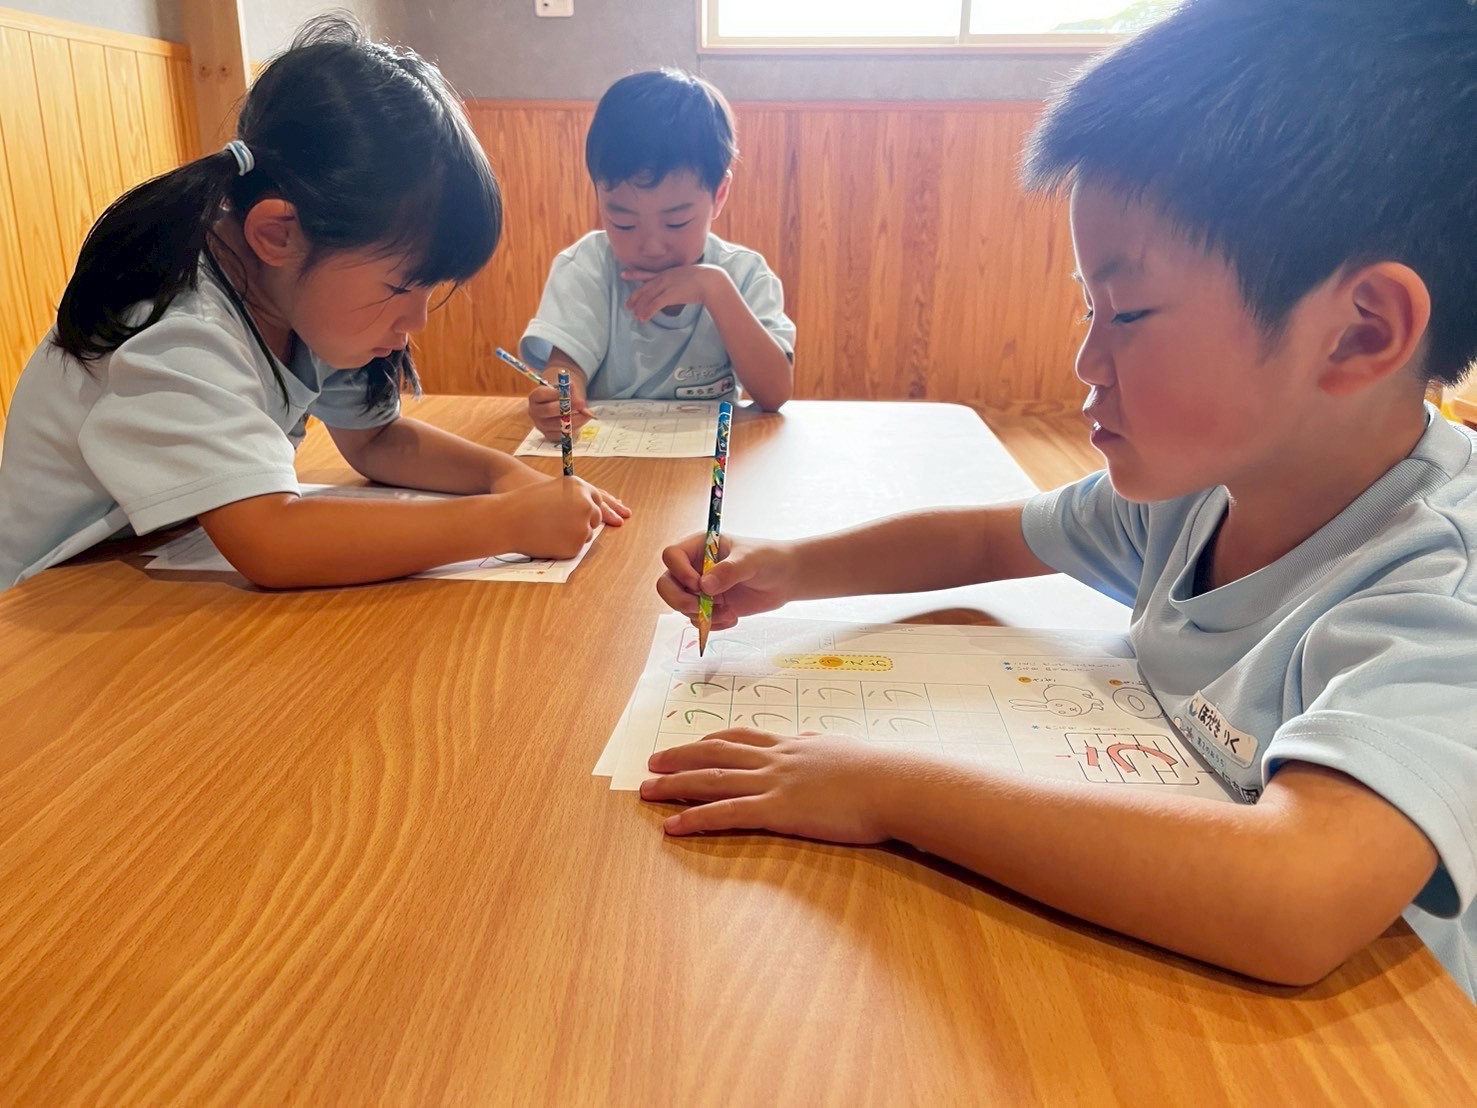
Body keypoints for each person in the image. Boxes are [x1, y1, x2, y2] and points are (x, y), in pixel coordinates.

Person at [646, 0, 1477, 997]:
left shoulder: (1439, 586)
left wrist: (882, 787)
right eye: (1091, 308)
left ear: (1359, 332)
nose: (1086, 360)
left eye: (1128, 312)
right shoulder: (1201, 496)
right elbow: (987, 539)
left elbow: (1297, 896)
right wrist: (787, 566)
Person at [0, 14, 627, 593]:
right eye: (398, 288)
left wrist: (504, 477)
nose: (414, 324)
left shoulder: (298, 296)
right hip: (43, 609)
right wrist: (505, 522)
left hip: (145, 574)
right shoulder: (183, 331)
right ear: (278, 234)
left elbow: (375, 441)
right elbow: (271, 541)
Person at [519, 68, 795, 438]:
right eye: (623, 223)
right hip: (606, 462)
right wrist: (559, 398)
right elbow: (565, 368)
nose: (651, 246)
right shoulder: (587, 268)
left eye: (676, 222)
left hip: (710, 463)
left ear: (719, 195)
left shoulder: (744, 275)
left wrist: (715, 290)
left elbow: (775, 394)